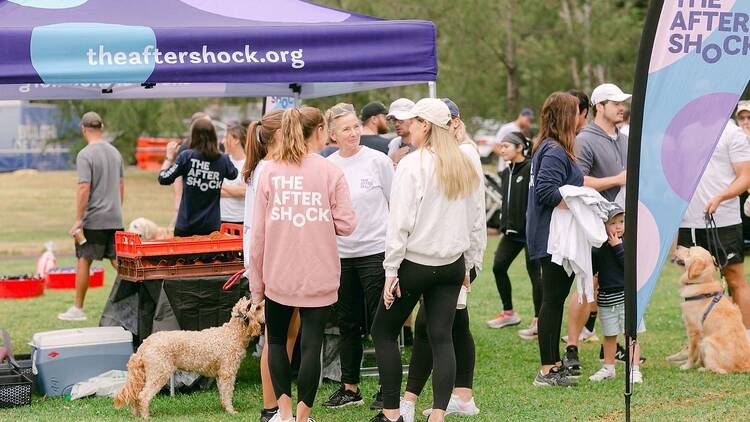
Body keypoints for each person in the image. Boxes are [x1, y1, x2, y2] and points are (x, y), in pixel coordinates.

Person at [370, 98, 482, 422]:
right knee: (441, 337)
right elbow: (476, 221)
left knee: (383, 332)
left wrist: (391, 270)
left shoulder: (413, 164)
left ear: (426, 126)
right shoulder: (466, 162)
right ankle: (437, 415)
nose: (410, 127)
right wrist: (470, 265)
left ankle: (392, 413)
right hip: (452, 264)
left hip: (416, 264)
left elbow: (399, 222)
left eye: (414, 122)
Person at [249, 106, 357, 422]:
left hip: (278, 273)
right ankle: (302, 416)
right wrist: (321, 218)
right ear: (320, 131)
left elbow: (258, 238)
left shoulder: (269, 171)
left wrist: (256, 289)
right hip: (318, 273)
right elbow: (347, 224)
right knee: (311, 344)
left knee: (278, 342)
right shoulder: (330, 171)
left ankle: (282, 412)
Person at [322, 103, 394, 410]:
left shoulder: (379, 161)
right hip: (341, 256)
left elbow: (396, 205)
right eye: (345, 129)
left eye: (355, 127)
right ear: (332, 135)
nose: (353, 133)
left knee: (382, 325)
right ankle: (350, 387)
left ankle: (386, 389)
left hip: (375, 253)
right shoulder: (328, 166)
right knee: (347, 323)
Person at [563, 83, 631, 376]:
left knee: (615, 286)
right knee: (586, 284)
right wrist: (616, 179)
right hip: (591, 224)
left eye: (622, 102)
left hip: (620, 226)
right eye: (614, 102)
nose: (621, 107)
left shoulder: (625, 139)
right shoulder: (585, 140)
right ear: (598, 106)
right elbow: (579, 182)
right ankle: (572, 347)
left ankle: (614, 347)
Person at [241, 110, 302, 422]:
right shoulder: (269, 169)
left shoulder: (264, 167)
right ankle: (271, 407)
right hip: (269, 261)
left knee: (287, 334)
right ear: (279, 135)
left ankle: (278, 403)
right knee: (277, 338)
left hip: (269, 259)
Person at [526, 92, 583, 387]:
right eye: (575, 112)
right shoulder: (554, 151)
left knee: (554, 299)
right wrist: (582, 198)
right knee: (552, 301)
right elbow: (546, 192)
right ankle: (548, 369)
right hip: (553, 238)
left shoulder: (550, 147)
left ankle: (553, 363)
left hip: (552, 236)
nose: (579, 118)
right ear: (565, 117)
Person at [676, 120, 750, 335]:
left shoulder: (732, 132)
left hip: (723, 219)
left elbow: (745, 176)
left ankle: (745, 338)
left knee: (734, 280)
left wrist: (720, 197)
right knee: (693, 284)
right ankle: (696, 345)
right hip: (688, 221)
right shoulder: (686, 129)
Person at [58, 112, 124, 321]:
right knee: (118, 262)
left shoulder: (85, 155)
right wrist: (115, 208)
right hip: (115, 217)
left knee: (84, 259)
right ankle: (142, 296)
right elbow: (121, 186)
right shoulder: (115, 153)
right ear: (101, 127)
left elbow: (84, 188)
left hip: (94, 218)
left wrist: (78, 220)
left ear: (83, 129)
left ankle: (78, 308)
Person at [486, 131, 542, 338]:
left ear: (520, 147)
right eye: (501, 147)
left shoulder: (530, 168)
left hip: (530, 232)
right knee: (498, 267)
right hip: (510, 232)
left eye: (506, 146)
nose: (502, 151)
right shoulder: (507, 171)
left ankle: (539, 320)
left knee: (535, 275)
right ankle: (509, 312)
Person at [588, 205, 644, 384]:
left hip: (627, 299)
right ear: (603, 225)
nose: (618, 226)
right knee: (609, 335)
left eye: (621, 221)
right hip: (606, 299)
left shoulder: (628, 243)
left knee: (631, 335)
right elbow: (594, 269)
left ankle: (634, 369)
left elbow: (630, 267)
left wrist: (619, 247)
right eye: (613, 223)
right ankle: (608, 368)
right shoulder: (599, 246)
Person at [158, 118, 237, 236]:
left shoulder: (187, 157)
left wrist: (169, 157)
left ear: (193, 135)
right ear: (213, 136)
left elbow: (163, 178)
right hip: (211, 228)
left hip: (186, 226)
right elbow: (233, 174)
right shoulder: (222, 160)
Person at [220, 122, 247, 224]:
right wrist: (236, 191)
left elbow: (243, 192)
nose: (222, 142)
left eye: (226, 137)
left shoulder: (249, 163)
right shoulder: (221, 161)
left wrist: (221, 185)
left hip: (240, 220)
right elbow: (213, 191)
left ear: (236, 140)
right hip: (220, 219)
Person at [492, 108, 534, 172]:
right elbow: (495, 147)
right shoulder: (507, 128)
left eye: (530, 120)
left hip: (521, 170)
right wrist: (509, 156)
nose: (529, 122)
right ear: (520, 116)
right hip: (505, 169)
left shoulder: (526, 131)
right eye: (527, 119)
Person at [386, 98, 417, 165]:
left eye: (400, 119)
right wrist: (391, 160)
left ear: (413, 119)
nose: (396, 124)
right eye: (394, 120)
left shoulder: (425, 144)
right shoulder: (394, 144)